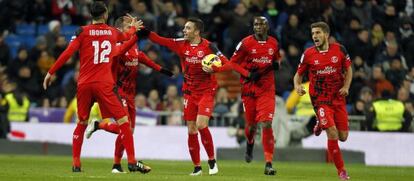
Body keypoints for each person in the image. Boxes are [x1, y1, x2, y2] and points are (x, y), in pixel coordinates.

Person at [42, 1, 147, 173]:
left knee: (81, 123)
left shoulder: (81, 32)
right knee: (124, 122)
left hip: (84, 84)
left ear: (91, 15)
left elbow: (68, 53)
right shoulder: (112, 32)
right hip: (105, 84)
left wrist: (51, 72)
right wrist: (134, 28)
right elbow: (127, 37)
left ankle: (76, 164)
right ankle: (132, 161)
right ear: (105, 14)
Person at [85, 16, 173, 173]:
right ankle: (102, 128)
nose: (131, 29)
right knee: (125, 128)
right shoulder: (116, 45)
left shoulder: (133, 44)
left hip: (131, 94)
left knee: (129, 131)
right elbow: (122, 51)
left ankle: (116, 165)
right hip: (118, 92)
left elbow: (140, 57)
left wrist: (161, 69)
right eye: (128, 27)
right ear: (119, 30)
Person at [136, 17, 223, 176]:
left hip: (206, 91)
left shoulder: (209, 46)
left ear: (197, 31)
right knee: (191, 129)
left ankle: (211, 160)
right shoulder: (181, 43)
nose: (184, 30)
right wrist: (143, 30)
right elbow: (159, 40)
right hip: (189, 92)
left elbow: (224, 63)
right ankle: (197, 167)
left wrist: (215, 69)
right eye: (184, 28)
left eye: (188, 28)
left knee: (201, 125)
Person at [203, 16, 280, 175]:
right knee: (251, 126)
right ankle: (250, 143)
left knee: (266, 123)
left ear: (267, 27)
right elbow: (232, 63)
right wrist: (246, 73)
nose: (258, 27)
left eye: (261, 24)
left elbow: (276, 60)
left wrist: (276, 64)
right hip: (249, 90)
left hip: (267, 90)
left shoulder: (274, 43)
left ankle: (268, 163)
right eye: (256, 24)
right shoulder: (245, 43)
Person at [293, 21, 352, 180]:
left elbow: (348, 69)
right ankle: (342, 171)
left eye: (318, 33)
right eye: (313, 34)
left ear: (326, 34)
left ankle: (320, 121)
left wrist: (346, 87)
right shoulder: (308, 54)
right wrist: (297, 86)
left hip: (338, 99)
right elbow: (298, 75)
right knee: (331, 133)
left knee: (343, 137)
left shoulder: (339, 50)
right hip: (320, 100)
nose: (315, 36)